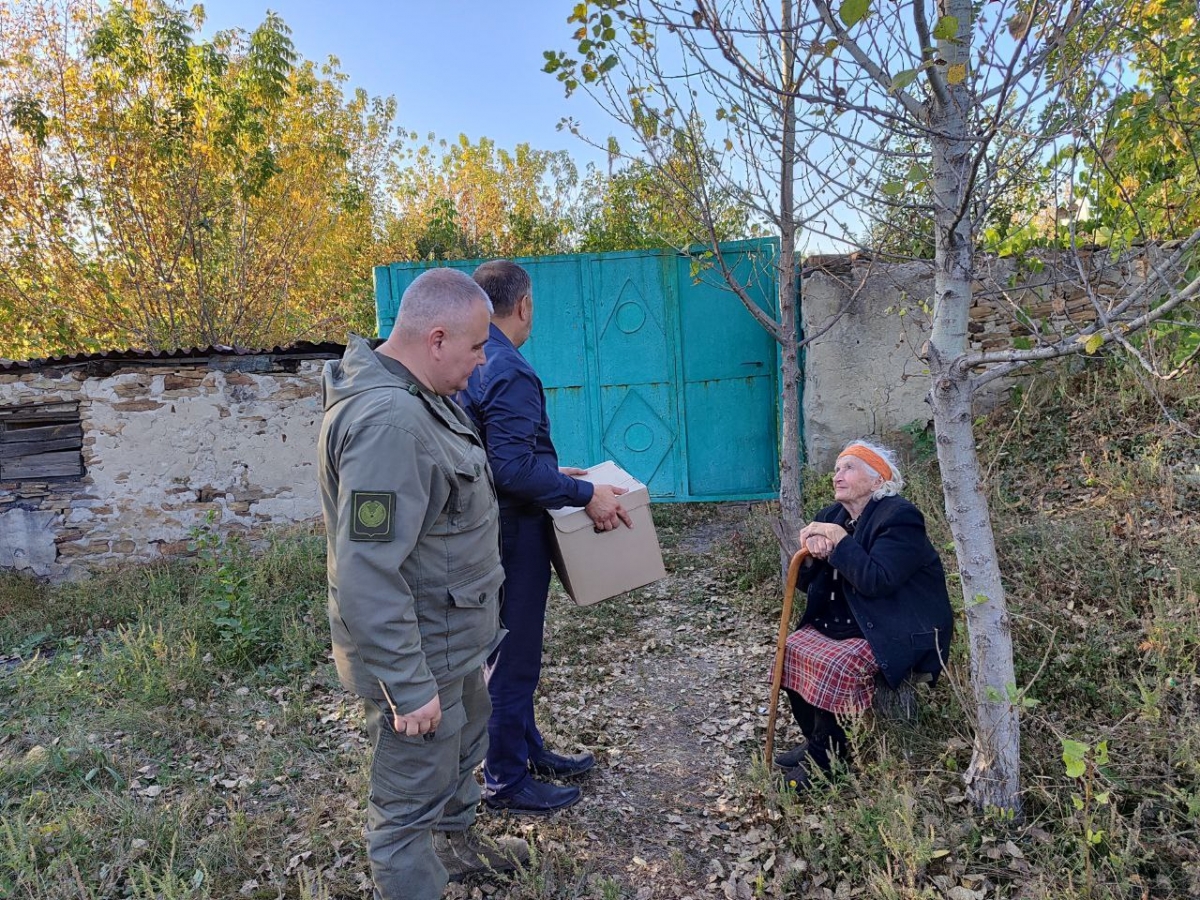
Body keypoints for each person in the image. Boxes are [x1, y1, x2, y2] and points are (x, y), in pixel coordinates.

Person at [316, 268, 529, 899]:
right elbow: (366, 571)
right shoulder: (390, 424)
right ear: (436, 339)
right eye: (474, 348)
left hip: (452, 635)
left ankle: (458, 846)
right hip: (419, 654)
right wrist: (408, 688)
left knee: (464, 747)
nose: (482, 361)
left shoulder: (419, 395)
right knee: (408, 803)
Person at [457, 260, 633, 815]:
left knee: (510, 650)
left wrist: (564, 476)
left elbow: (500, 456)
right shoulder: (509, 368)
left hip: (492, 528)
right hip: (513, 533)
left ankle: (525, 749)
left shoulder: (480, 362)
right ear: (524, 305)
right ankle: (505, 780)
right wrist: (586, 497)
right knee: (513, 657)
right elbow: (510, 470)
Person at [775, 440, 954, 791]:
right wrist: (811, 551)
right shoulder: (832, 516)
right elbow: (806, 582)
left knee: (836, 664)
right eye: (837, 468)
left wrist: (840, 542)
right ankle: (816, 740)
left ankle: (827, 762)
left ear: (876, 481)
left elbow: (877, 581)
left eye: (848, 468)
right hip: (849, 620)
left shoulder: (900, 517)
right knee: (791, 649)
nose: (837, 475)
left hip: (895, 626)